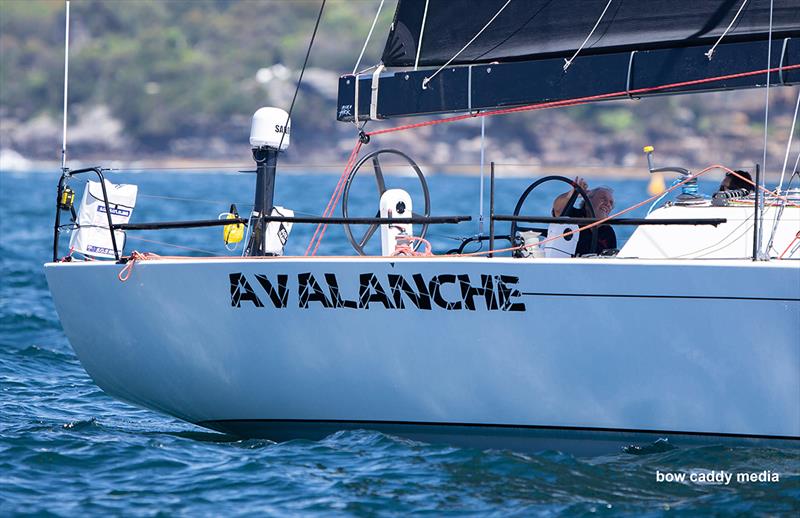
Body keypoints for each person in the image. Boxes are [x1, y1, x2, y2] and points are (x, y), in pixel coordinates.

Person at [551, 177, 617, 255]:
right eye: (603, 199)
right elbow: (558, 209)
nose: (608, 204)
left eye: (611, 203)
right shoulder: (573, 215)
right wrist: (571, 194)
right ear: (588, 200)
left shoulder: (608, 231)